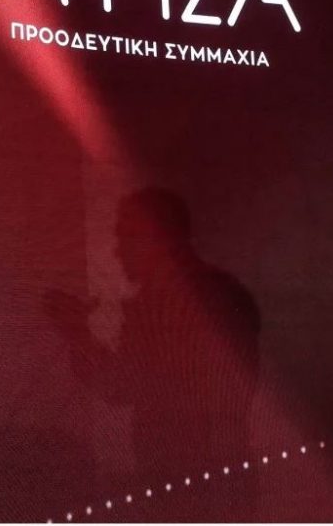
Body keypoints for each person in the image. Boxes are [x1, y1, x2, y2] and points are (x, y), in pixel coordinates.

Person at [46, 187, 261, 521]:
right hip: (221, 472)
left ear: (154, 238)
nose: (117, 251)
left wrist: (77, 332)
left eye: (125, 236)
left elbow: (120, 386)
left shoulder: (159, 307)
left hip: (183, 479)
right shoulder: (223, 291)